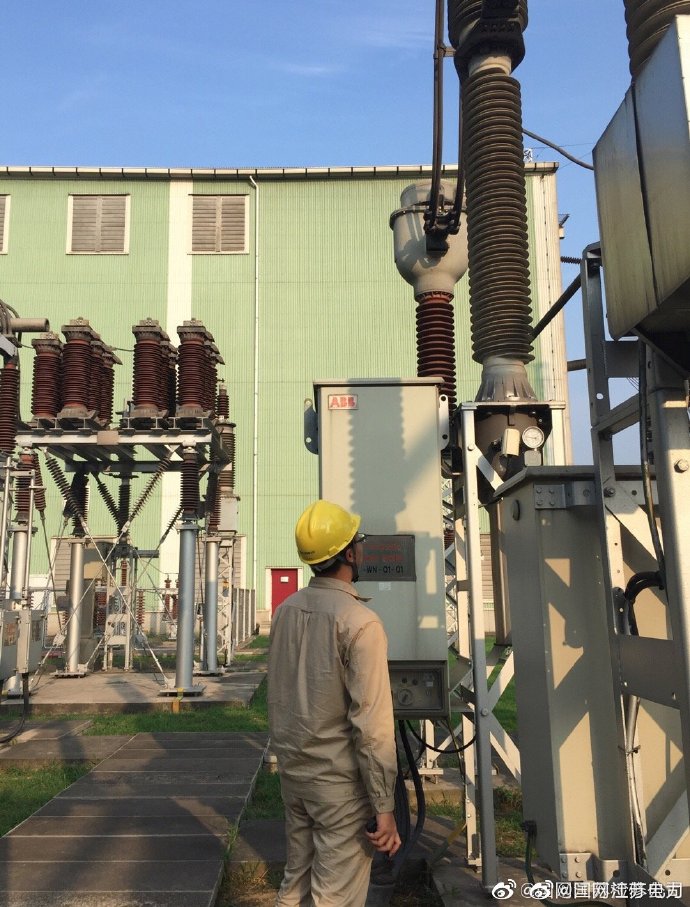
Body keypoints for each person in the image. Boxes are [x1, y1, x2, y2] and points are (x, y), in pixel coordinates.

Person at [267, 499, 401, 907]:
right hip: (339, 789)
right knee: (334, 897)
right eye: (358, 540)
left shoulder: (285, 611)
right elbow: (372, 726)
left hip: (295, 778)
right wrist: (385, 806)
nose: (361, 546)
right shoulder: (360, 622)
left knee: (295, 885)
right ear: (349, 554)